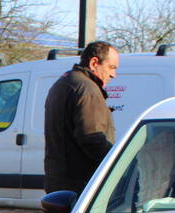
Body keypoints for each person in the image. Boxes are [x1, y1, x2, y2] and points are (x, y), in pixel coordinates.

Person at [43, 41, 120, 194]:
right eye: (111, 67)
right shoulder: (87, 89)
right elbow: (92, 139)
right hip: (81, 182)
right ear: (94, 62)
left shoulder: (64, 82)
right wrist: (116, 165)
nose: (113, 75)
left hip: (60, 181)